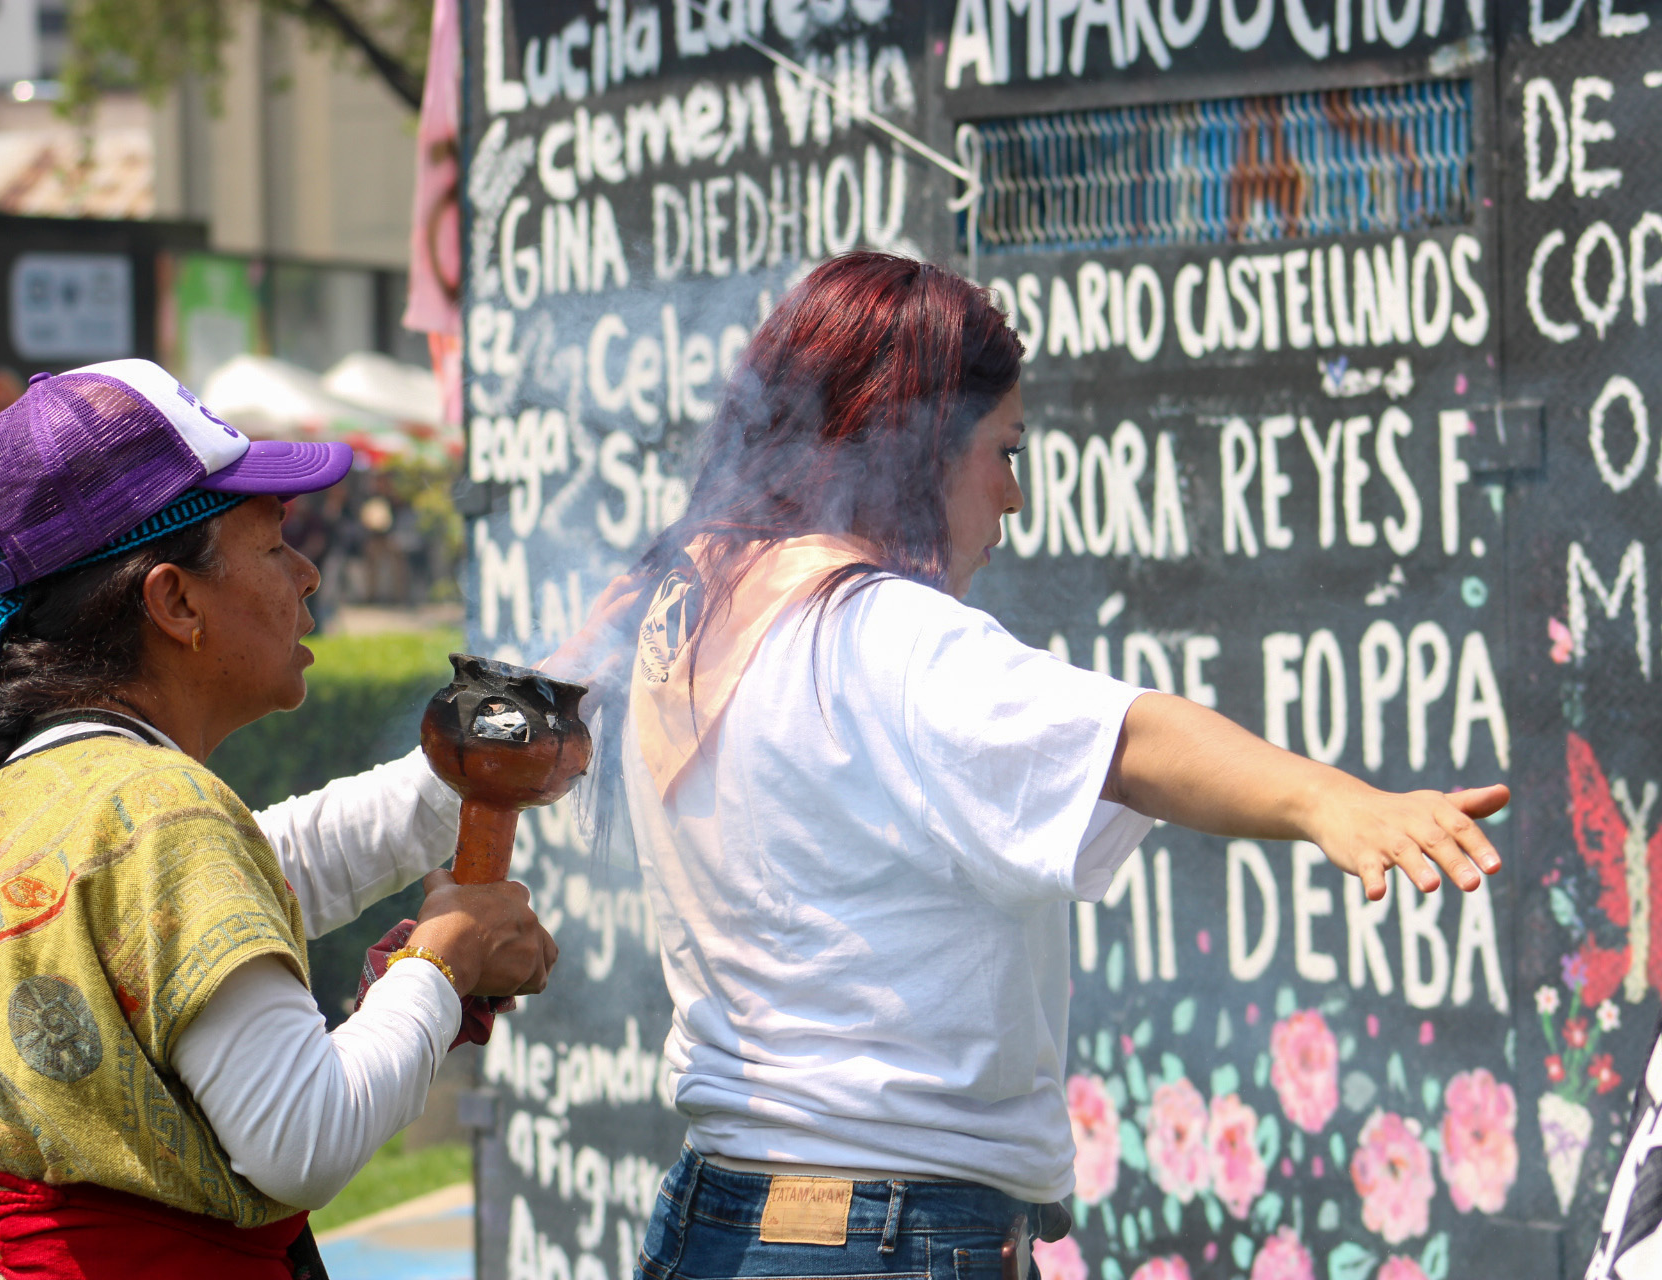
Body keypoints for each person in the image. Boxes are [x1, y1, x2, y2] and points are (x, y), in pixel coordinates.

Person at [549, 254, 1508, 1280]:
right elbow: (1132, 739)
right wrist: (1330, 799)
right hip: (880, 1232)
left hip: (716, 1214)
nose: (1012, 493)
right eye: (1003, 449)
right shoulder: (882, 635)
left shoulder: (683, 608)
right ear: (913, 442)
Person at [0, 359, 558, 1280]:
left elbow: (250, 877)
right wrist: (446, 959)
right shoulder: (159, 812)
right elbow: (300, 1138)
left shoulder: (36, 787)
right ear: (175, 600)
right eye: (276, 548)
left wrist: (457, 774)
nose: (311, 574)